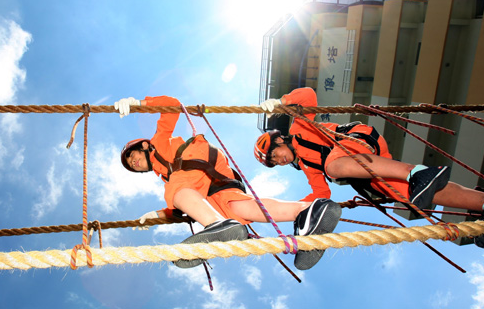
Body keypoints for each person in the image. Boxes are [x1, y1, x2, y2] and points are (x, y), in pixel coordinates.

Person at [114, 95, 342, 270]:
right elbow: (186, 206)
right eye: (131, 165)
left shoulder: (158, 142)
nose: (133, 162)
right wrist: (159, 215)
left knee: (175, 189)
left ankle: (217, 225)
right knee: (237, 208)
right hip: (215, 180)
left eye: (132, 156)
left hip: (196, 160)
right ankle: (309, 212)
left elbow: (172, 105)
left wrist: (140, 104)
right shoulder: (166, 173)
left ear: (143, 146)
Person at [256, 87, 484, 249]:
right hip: (373, 166)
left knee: (334, 168)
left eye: (275, 155)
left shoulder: (299, 128)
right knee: (414, 193)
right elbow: (321, 194)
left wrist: (281, 102)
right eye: (275, 163)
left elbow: (307, 95)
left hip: (355, 142)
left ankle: (417, 171)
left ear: (280, 140)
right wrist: (294, 212)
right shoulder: (309, 168)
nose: (279, 161)